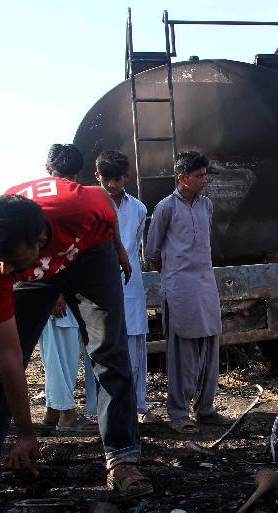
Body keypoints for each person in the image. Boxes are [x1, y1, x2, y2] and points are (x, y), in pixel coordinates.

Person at [0, 146, 148, 500]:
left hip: (88, 254)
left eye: (15, 263)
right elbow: (9, 355)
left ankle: (122, 459)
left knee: (108, 351)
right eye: (0, 261)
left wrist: (118, 249)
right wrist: (25, 432)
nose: (8, 273)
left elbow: (104, 202)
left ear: (39, 242)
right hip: (40, 255)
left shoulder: (81, 208)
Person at [145, 151, 232, 434]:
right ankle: (179, 412)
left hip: (206, 284)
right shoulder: (166, 208)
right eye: (198, 176)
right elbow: (152, 253)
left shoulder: (206, 205)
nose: (204, 180)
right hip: (181, 287)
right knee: (182, 352)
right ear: (182, 178)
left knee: (209, 346)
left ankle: (205, 408)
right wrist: (174, 275)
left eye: (205, 175)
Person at [93, 150, 158, 424]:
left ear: (126, 178)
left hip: (130, 284)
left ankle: (137, 405)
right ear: (97, 176)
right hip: (96, 284)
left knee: (134, 343)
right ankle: (99, 410)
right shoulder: (89, 205)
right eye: (106, 179)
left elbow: (136, 247)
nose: (112, 185)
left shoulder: (139, 208)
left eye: (117, 180)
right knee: (99, 345)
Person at [36, 145, 98, 434]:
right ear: (48, 171)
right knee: (60, 353)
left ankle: (52, 411)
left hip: (70, 289)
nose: (66, 183)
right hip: (51, 291)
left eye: (71, 177)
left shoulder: (76, 201)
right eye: (62, 175)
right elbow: (40, 254)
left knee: (62, 353)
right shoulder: (39, 206)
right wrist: (54, 292)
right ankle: (68, 415)